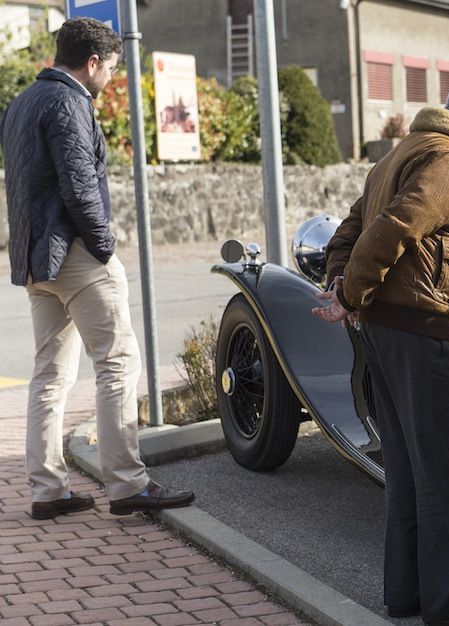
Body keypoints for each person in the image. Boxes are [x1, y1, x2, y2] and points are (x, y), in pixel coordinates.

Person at [314, 76, 449, 625]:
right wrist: (349, 292)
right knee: (447, 476)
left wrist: (340, 286)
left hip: (383, 330)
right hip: (421, 332)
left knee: (406, 470)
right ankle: (448, 609)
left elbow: (349, 227)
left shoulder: (402, 151)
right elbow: (396, 226)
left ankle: (406, 596)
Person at [0, 18, 195, 520]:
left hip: (35, 260)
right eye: (109, 67)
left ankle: (48, 491)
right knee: (116, 364)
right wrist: (105, 247)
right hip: (76, 255)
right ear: (92, 63)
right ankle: (128, 484)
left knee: (49, 376)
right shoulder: (70, 102)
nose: (109, 76)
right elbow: (79, 185)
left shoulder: (21, 103)